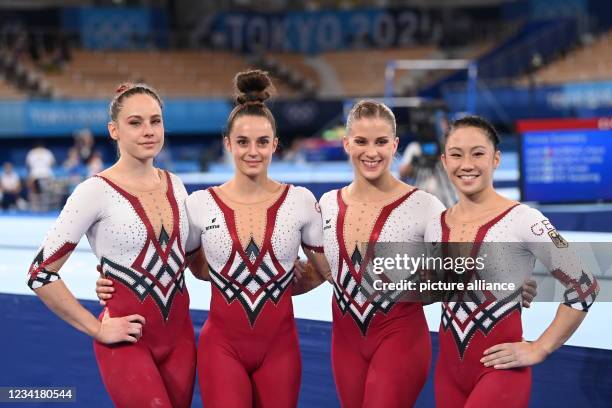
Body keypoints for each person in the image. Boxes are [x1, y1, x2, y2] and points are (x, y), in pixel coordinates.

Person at [96, 70, 331, 408]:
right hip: (221, 349)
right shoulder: (199, 204)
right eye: (243, 142)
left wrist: (280, 279)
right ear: (227, 144)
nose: (253, 151)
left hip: (280, 350)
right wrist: (111, 281)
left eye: (263, 142)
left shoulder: (301, 201)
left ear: (275, 145)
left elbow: (329, 271)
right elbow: (183, 265)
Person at [26, 83, 196, 408]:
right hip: (127, 342)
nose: (148, 131)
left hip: (181, 339)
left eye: (155, 121)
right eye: (135, 122)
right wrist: (97, 329)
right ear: (114, 130)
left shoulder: (175, 184)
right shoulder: (95, 191)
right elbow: (40, 273)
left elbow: (190, 260)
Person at [425, 115, 599, 407]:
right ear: (444, 161)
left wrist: (541, 347)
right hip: (448, 373)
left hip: (501, 374)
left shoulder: (524, 220)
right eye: (456, 155)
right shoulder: (436, 223)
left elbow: (585, 285)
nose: (466, 164)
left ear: (496, 159)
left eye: (478, 153)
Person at [317, 100, 445, 407]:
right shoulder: (327, 204)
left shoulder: (425, 206)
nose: (371, 152)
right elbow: (324, 270)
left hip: (400, 339)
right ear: (346, 143)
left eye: (381, 142)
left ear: (396, 144)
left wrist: (507, 281)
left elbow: (457, 273)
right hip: (345, 344)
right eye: (361, 141)